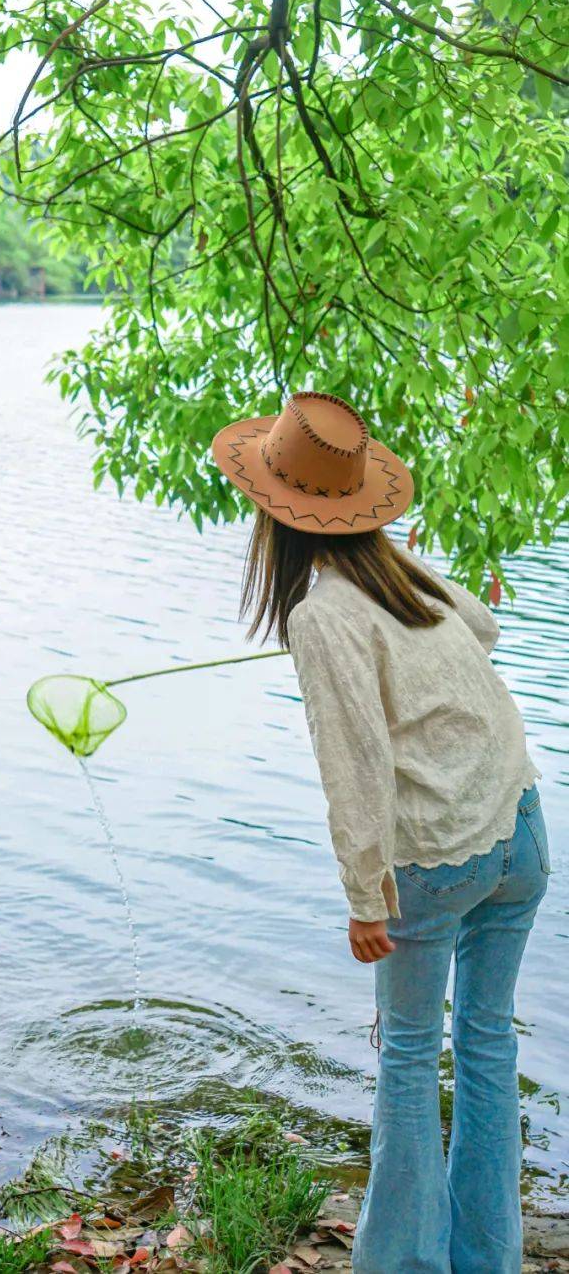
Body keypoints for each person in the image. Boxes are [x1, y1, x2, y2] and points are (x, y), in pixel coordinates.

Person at [211, 391, 547, 1274]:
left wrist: (366, 899)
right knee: (484, 1038)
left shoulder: (321, 616)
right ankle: (489, 1260)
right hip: (520, 830)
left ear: (275, 517)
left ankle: (405, 1265)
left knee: (405, 1056)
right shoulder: (406, 572)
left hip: (436, 859)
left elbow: (356, 769)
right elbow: (486, 630)